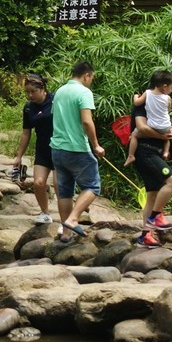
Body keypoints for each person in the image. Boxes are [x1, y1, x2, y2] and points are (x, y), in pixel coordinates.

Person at [49, 61, 105, 242]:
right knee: (93, 186)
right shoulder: (83, 92)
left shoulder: (60, 91)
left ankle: (65, 233)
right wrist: (96, 145)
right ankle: (73, 220)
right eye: (91, 78)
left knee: (65, 191)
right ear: (87, 75)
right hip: (77, 149)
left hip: (57, 149)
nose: (90, 82)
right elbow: (87, 122)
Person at [131, 76, 172, 247]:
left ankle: (145, 235)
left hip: (155, 152)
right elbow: (142, 128)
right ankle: (156, 216)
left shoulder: (160, 102)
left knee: (152, 194)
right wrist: (162, 135)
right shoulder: (143, 105)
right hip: (145, 151)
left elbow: (163, 124)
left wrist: (169, 133)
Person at [12, 73, 59, 228]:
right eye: (28, 92)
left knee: (60, 185)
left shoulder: (56, 101)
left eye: (33, 91)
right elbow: (26, 133)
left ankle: (67, 220)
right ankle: (45, 213)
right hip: (42, 150)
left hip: (60, 148)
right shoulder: (28, 108)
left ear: (43, 89)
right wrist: (19, 156)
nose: (30, 95)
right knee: (38, 183)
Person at [127, 70, 172, 166]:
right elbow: (168, 110)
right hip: (166, 125)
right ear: (165, 86)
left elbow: (137, 103)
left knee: (134, 135)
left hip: (153, 125)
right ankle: (166, 152)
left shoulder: (147, 93)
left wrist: (135, 96)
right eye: (171, 87)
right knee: (167, 138)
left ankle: (131, 156)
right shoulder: (168, 98)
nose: (171, 90)